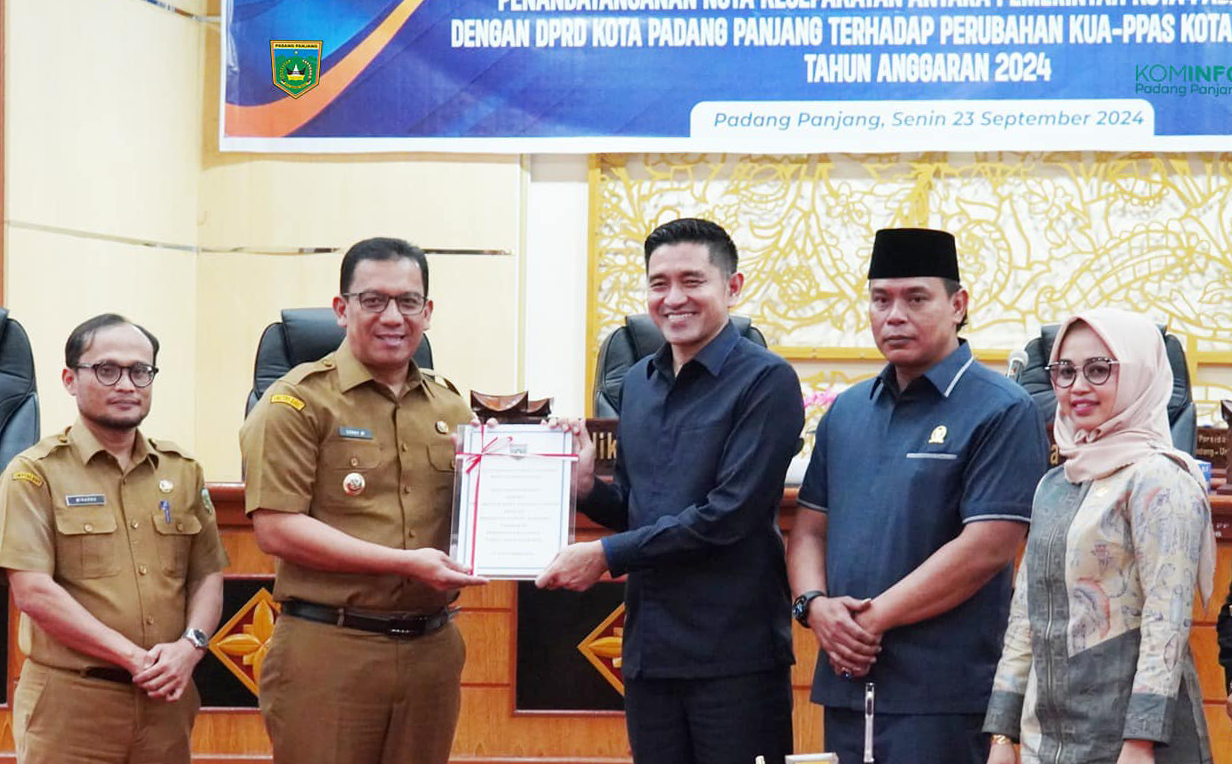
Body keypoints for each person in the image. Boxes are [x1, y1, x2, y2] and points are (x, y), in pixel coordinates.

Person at [537, 218, 805, 764]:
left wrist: (605, 555)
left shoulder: (766, 381)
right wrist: (588, 490)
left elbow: (728, 515)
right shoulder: (637, 382)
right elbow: (640, 509)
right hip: (650, 650)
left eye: (692, 281)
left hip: (733, 654)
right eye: (659, 283)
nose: (673, 298)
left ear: (732, 287)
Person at [785, 227, 1049, 764]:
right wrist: (814, 606)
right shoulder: (848, 410)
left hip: (942, 695)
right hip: (846, 682)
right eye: (880, 300)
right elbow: (809, 529)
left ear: (958, 305)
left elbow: (987, 548)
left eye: (916, 299)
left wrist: (869, 620)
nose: (894, 316)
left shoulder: (1002, 408)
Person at [240, 237, 487, 764]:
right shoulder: (296, 402)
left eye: (408, 301)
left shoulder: (452, 408)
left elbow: (485, 512)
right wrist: (404, 563)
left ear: (428, 312)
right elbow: (277, 529)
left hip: (432, 650)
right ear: (341, 309)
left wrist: (559, 466)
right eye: (373, 300)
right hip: (331, 648)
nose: (393, 317)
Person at [984, 308, 1215, 764]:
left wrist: (1140, 742)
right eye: (1065, 371)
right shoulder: (1055, 482)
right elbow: (1025, 615)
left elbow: (1166, 623)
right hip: (1046, 741)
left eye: (1098, 369)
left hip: (1131, 744)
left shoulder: (1159, 480)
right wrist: (1001, 736)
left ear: (1139, 374)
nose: (1077, 387)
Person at [0, 313, 228, 764]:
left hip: (166, 701)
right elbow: (33, 593)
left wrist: (191, 646)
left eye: (140, 371)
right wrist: (134, 659)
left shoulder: (182, 471)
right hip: (73, 703)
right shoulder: (35, 473)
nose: (126, 384)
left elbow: (206, 575)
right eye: (107, 370)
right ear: (70, 379)